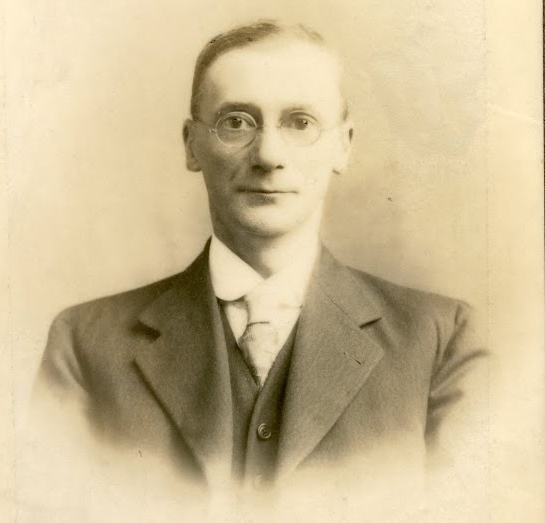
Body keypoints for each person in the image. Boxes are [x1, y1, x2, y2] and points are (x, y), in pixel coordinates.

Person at [32, 19, 487, 515]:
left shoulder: (440, 340)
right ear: (191, 145)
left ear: (343, 144)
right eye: (236, 122)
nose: (268, 155)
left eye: (300, 123)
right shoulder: (84, 344)